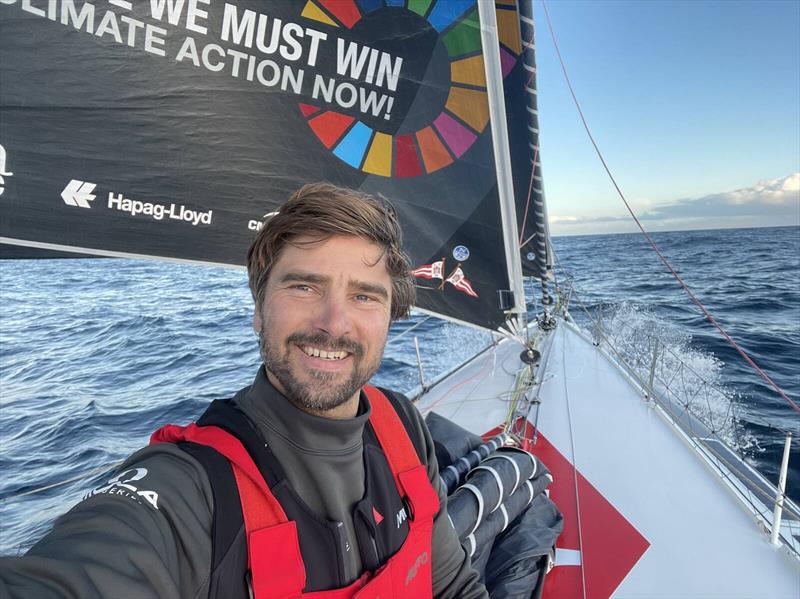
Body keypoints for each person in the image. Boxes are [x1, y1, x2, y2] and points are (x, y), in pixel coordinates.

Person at [0, 183, 488, 599]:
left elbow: (451, 585)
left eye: (364, 296)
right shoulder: (192, 489)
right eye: (303, 287)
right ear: (258, 310)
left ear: (389, 318)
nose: (333, 324)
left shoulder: (402, 426)